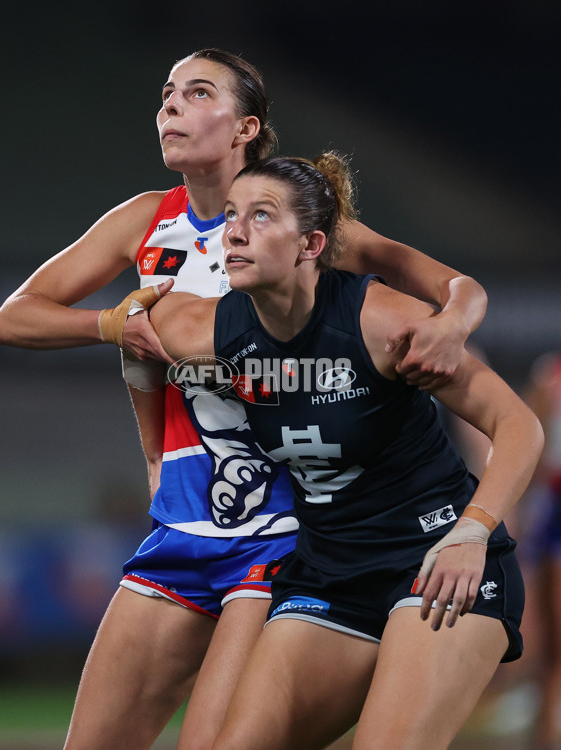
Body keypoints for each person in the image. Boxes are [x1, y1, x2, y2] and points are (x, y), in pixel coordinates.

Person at [0, 49, 489, 750]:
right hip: (183, 524)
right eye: (166, 93)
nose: (169, 106)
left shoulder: (295, 231)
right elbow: (12, 318)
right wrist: (110, 327)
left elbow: (457, 288)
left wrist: (452, 328)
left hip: (284, 531)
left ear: (246, 127)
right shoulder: (144, 221)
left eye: (196, 93)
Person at [142, 152, 544, 750]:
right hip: (330, 573)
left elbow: (519, 425)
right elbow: (132, 339)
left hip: (435, 562)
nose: (235, 230)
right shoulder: (202, 330)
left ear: (311, 245)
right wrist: (154, 457)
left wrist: (472, 533)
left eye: (261, 215)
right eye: (230, 215)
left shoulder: (381, 321)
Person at [522, 352, 561, 750]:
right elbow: (533, 450)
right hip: (554, 513)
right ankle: (545, 731)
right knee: (553, 639)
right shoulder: (550, 374)